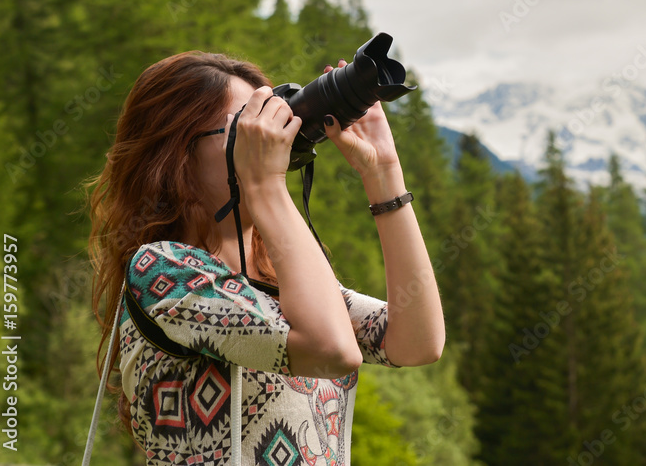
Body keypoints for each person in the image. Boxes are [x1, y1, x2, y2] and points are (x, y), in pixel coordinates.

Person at [87, 50, 445, 464]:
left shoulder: (281, 284)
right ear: (176, 155)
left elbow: (417, 343)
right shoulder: (162, 271)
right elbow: (332, 351)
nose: (275, 137)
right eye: (246, 126)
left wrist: (384, 175)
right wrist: (266, 185)